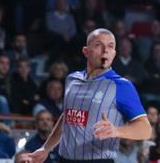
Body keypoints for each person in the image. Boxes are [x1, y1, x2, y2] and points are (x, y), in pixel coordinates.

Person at [27, 28, 152, 163]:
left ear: (114, 53)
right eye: (99, 45)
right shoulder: (71, 79)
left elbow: (145, 130)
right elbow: (67, 117)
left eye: (110, 46)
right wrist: (46, 148)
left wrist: (116, 131)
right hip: (63, 159)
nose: (105, 50)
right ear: (86, 51)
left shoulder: (121, 86)